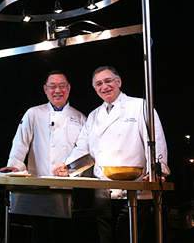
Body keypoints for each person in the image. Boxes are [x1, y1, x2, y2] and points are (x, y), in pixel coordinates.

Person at [53, 66, 170, 243]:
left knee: (130, 238)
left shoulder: (140, 105)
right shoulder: (93, 116)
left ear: (119, 82)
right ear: (94, 88)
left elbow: (156, 140)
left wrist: (158, 171)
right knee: (105, 238)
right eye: (99, 84)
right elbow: (82, 147)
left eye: (108, 81)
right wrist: (68, 167)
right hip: (103, 193)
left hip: (135, 190)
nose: (104, 87)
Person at [0, 70, 86, 243]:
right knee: (40, 234)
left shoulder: (80, 117)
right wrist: (15, 166)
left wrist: (72, 171)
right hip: (39, 186)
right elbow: (20, 142)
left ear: (68, 89)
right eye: (52, 86)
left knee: (66, 234)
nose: (57, 90)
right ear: (45, 89)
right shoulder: (33, 113)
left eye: (62, 86)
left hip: (68, 187)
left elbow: (84, 151)